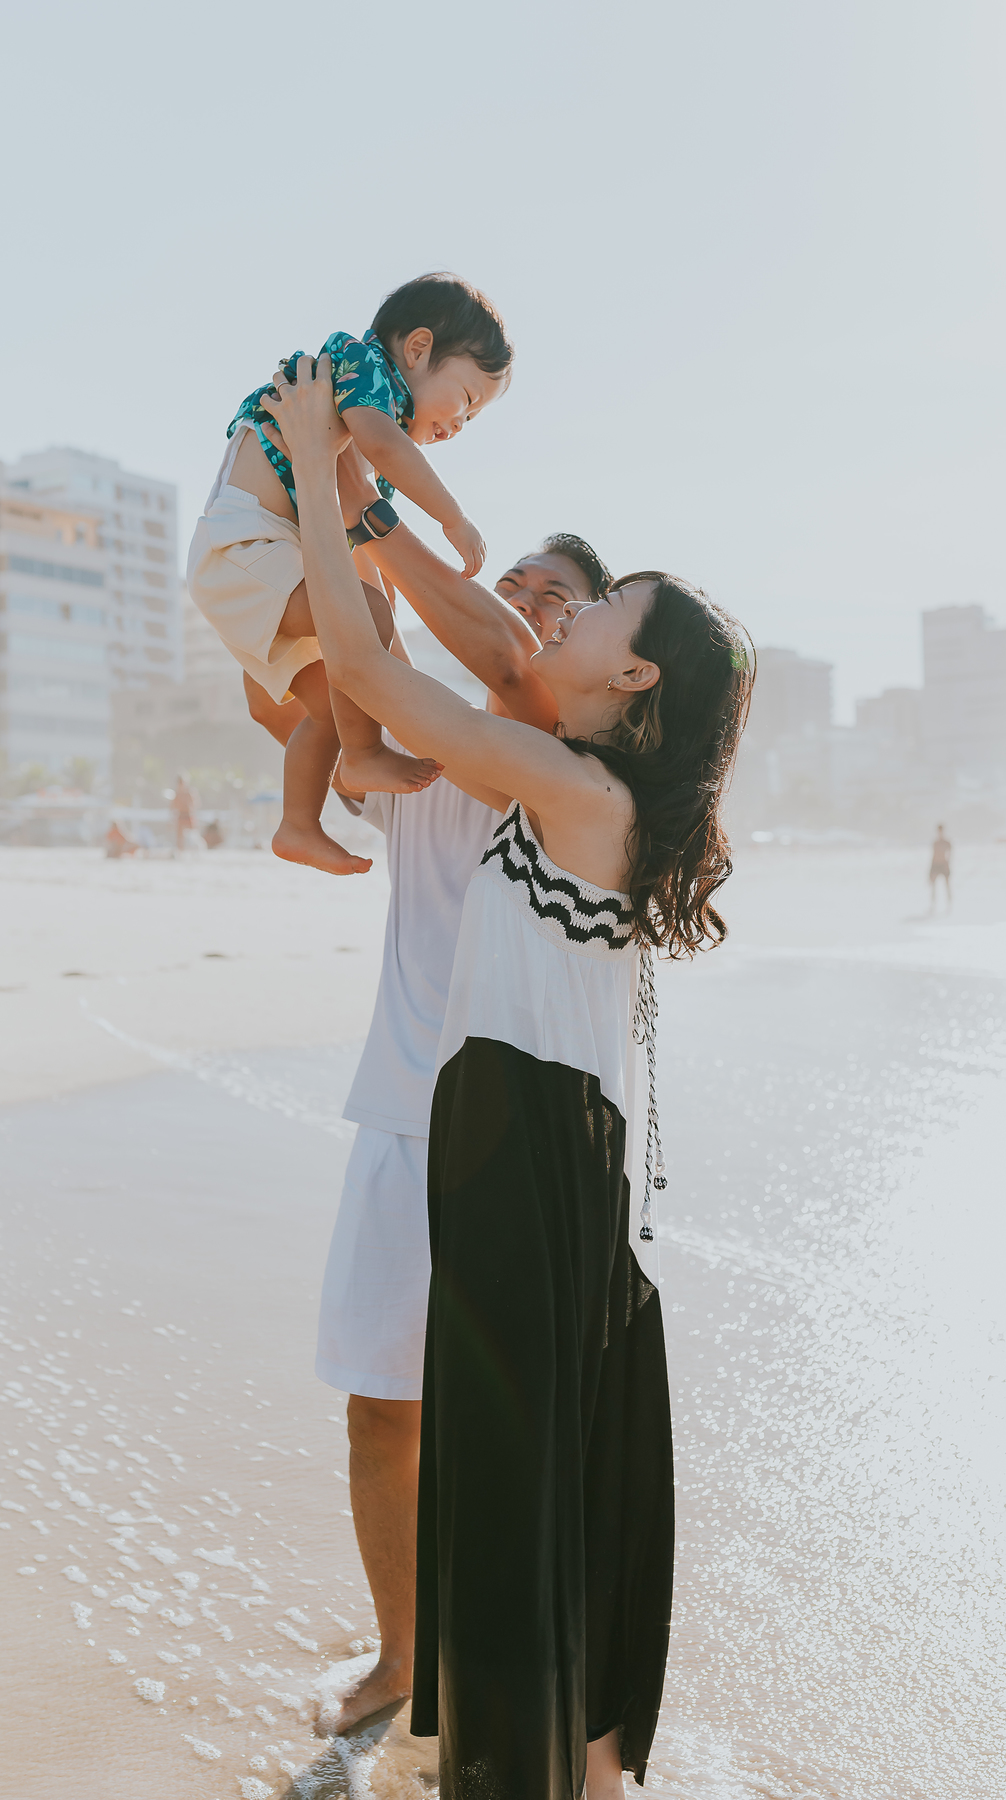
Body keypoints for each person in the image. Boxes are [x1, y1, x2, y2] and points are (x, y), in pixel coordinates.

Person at [260, 357, 754, 1800]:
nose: (564, 615)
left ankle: (552, 1771)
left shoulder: (570, 786)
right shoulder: (578, 783)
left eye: (596, 609)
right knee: (535, 1471)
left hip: (519, 1146)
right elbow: (362, 690)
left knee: (520, 1475)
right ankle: (574, 1767)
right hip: (528, 1140)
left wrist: (317, 479)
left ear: (630, 674)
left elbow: (367, 669)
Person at [312, 523, 612, 1742]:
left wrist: (356, 500)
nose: (525, 600)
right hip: (401, 1114)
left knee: (524, 1430)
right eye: (515, 583)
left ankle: (536, 1690)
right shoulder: (430, 753)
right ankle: (402, 1657)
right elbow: (322, 696)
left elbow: (464, 672)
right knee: (383, 1406)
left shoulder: (567, 751)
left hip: (527, 1137)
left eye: (559, 596)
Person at [185, 273, 513, 876]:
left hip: (261, 558)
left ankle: (299, 824)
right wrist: (452, 518)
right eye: (466, 400)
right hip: (245, 544)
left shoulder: (364, 432)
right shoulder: (360, 368)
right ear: (417, 349)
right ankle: (362, 755)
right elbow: (386, 446)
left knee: (333, 704)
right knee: (366, 616)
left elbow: (352, 542)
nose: (460, 426)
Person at [929, 821, 952, 912]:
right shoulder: (935, 843)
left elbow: (950, 855)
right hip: (935, 865)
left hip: (944, 865)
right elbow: (933, 856)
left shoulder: (947, 842)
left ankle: (949, 905)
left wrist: (947, 865)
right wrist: (930, 869)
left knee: (947, 885)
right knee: (933, 885)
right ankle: (933, 905)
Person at [170, 773, 196, 851]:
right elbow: (173, 807)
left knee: (192, 834)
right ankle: (181, 851)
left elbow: (194, 805)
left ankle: (192, 850)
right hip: (181, 815)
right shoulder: (177, 794)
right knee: (180, 835)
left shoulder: (189, 793)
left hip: (188, 815)